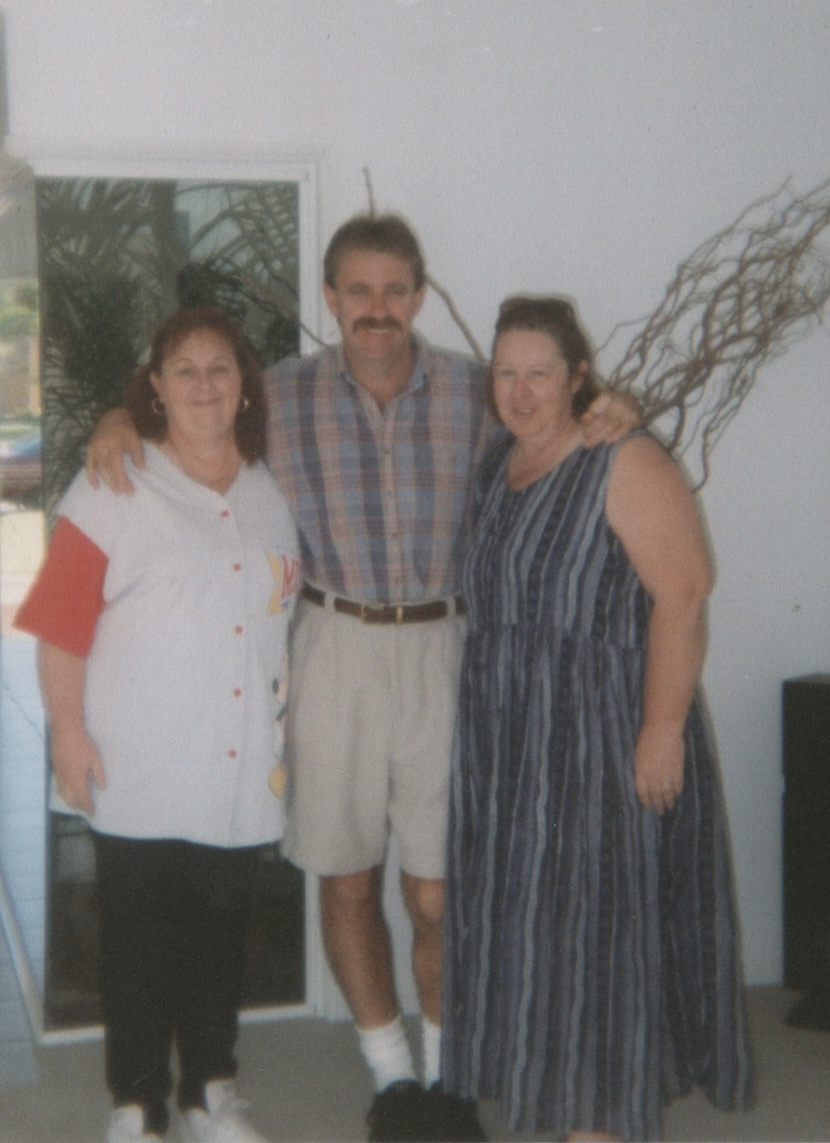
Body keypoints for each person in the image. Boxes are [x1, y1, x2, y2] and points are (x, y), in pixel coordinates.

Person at [84, 216, 639, 1143]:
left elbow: (558, 428)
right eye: (358, 291)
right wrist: (115, 415)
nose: (377, 310)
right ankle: (391, 1076)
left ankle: (449, 1070)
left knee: (439, 888)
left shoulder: (475, 392)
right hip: (331, 642)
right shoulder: (281, 396)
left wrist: (610, 409)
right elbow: (188, 405)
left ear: (418, 295)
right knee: (345, 878)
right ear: (331, 298)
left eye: (394, 290)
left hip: (443, 646)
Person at [441, 296, 753, 1142]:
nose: (520, 389)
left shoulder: (622, 457)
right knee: (532, 931)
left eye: (540, 371)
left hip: (599, 738)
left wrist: (660, 726)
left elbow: (683, 592)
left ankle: (598, 1126)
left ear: (579, 376)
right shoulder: (498, 463)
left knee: (595, 932)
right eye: (506, 372)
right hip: (510, 745)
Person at [16, 306, 301, 1143]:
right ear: (156, 388)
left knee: (218, 938)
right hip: (139, 760)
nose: (206, 385)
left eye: (221, 368)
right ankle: (136, 1103)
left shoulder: (269, 489)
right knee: (137, 943)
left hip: (241, 762)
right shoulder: (116, 483)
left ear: (244, 383)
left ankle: (210, 1089)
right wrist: (68, 732)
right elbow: (62, 623)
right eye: (186, 370)